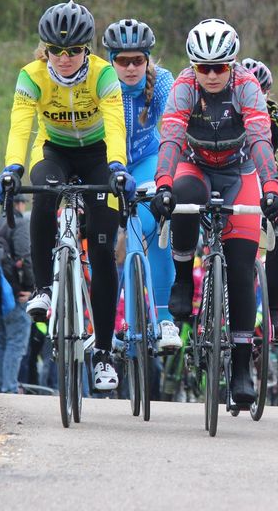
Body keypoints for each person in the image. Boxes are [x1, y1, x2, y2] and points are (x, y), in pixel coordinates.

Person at [0, 0, 134, 392]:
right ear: (46, 50)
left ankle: (104, 353)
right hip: (53, 151)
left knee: (104, 249)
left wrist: (119, 167)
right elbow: (20, 126)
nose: (66, 58)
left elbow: (116, 125)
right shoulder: (32, 76)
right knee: (44, 193)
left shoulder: (104, 75)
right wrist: (11, 168)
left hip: (98, 155)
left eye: (74, 50)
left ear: (86, 49)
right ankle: (43, 289)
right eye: (57, 50)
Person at [151, 18, 278, 407]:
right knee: (183, 192)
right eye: (203, 67)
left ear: (233, 64)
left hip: (238, 170)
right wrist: (162, 183)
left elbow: (261, 138)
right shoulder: (183, 86)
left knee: (242, 265)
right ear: (193, 66)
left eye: (219, 67)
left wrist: (272, 187)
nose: (211, 75)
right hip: (195, 165)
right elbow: (172, 137)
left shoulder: (246, 86)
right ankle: (182, 280)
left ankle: (242, 367)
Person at [100, 18, 180, 352]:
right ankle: (109, 322)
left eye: (138, 60)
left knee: (152, 231)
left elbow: (176, 128)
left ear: (148, 59)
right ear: (110, 60)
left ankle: (164, 318)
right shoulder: (98, 83)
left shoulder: (162, 82)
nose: (131, 67)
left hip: (147, 159)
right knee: (102, 242)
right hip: (108, 162)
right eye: (122, 60)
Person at [242, 57, 278, 342]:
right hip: (233, 180)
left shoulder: (277, 117)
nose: (255, 95)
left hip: (266, 183)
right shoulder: (225, 110)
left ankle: (275, 308)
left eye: (261, 90)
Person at [0, 194, 34, 393]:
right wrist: (30, 288)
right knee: (16, 341)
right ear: (19, 204)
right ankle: (9, 388)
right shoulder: (20, 225)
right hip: (14, 292)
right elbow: (26, 258)